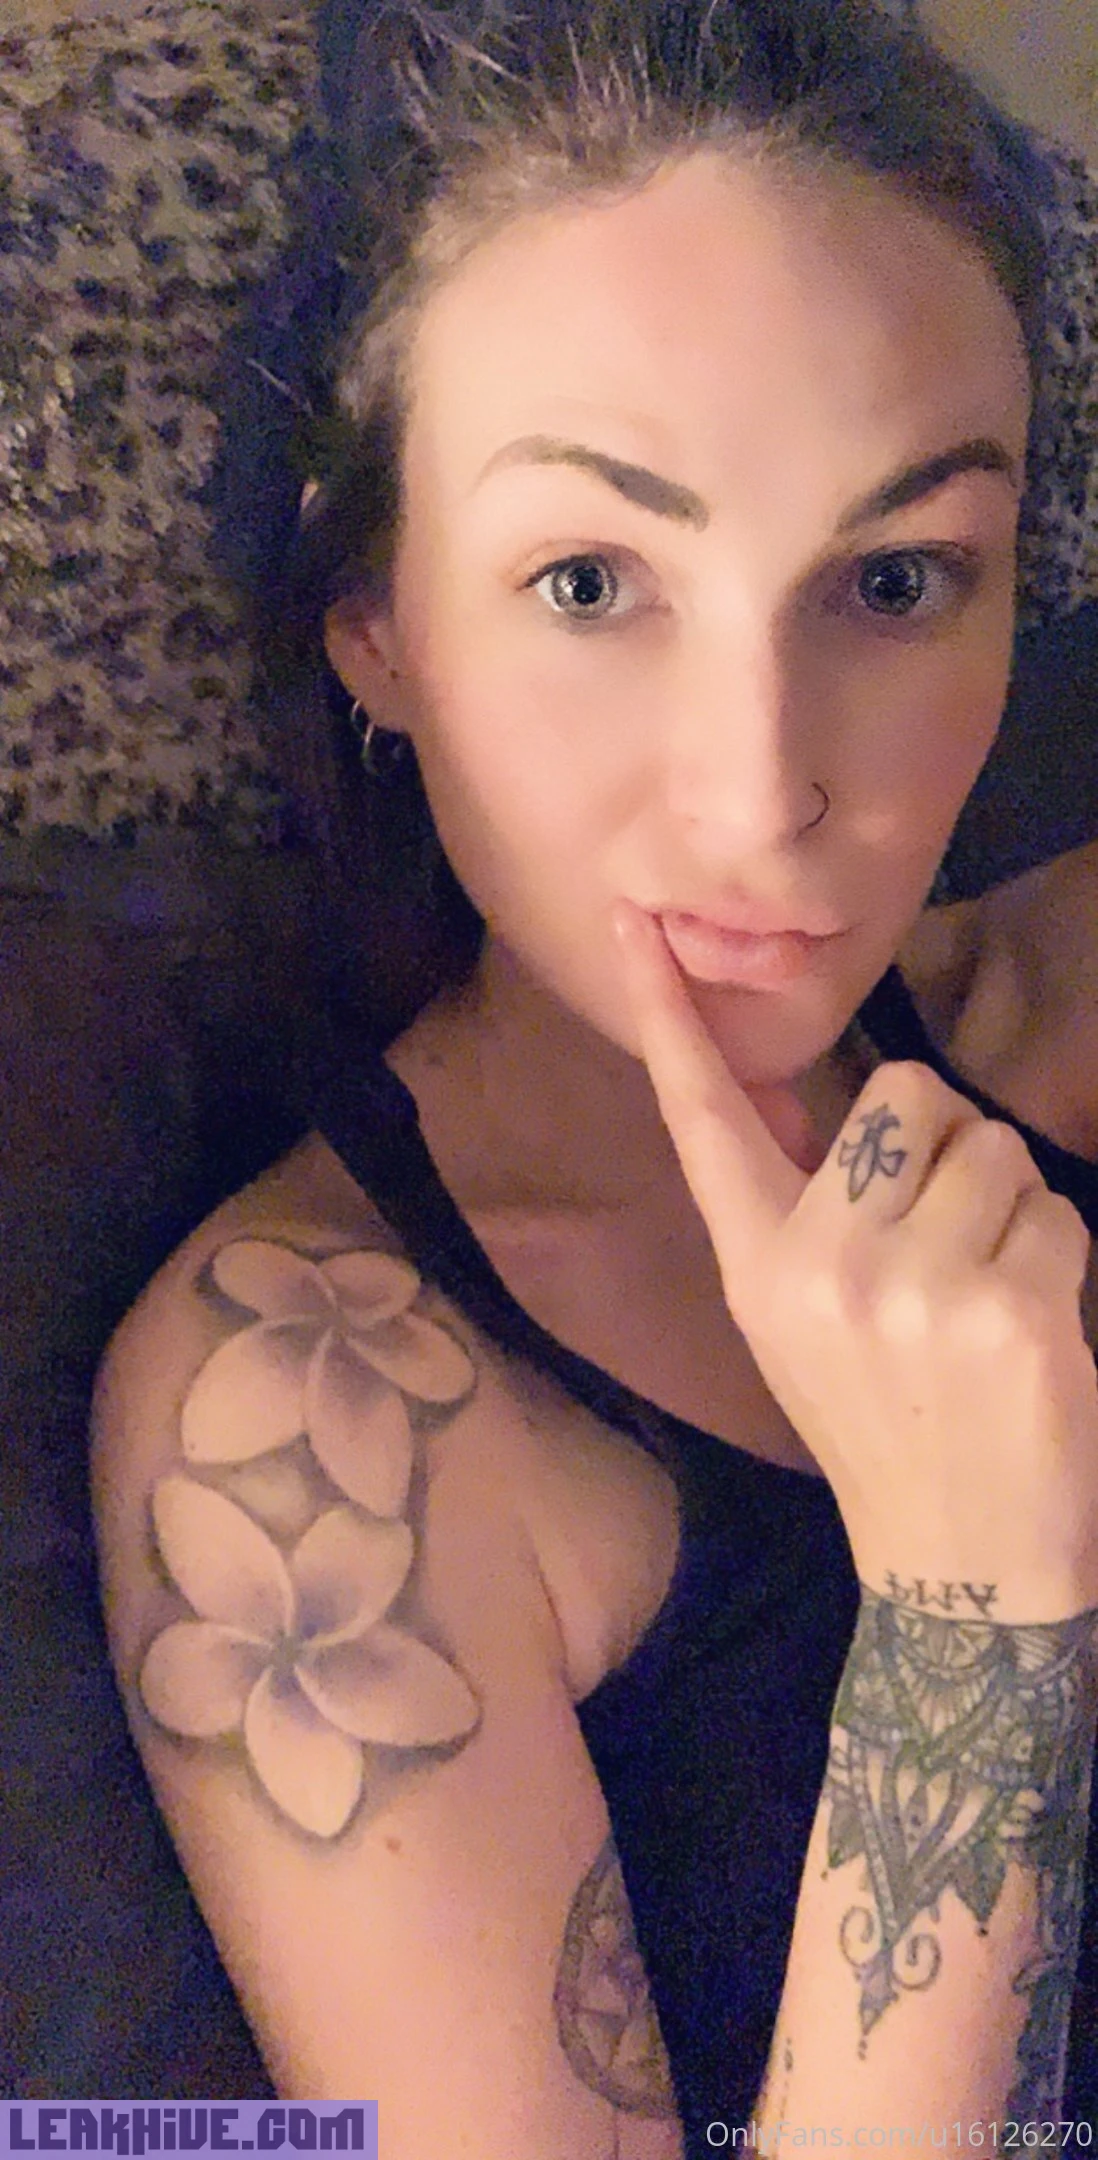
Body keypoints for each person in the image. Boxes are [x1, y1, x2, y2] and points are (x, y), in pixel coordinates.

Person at [89, 0, 1098, 2147]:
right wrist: (967, 1620)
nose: (762, 792)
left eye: (895, 580)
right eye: (587, 580)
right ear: (375, 623)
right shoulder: (318, 1428)